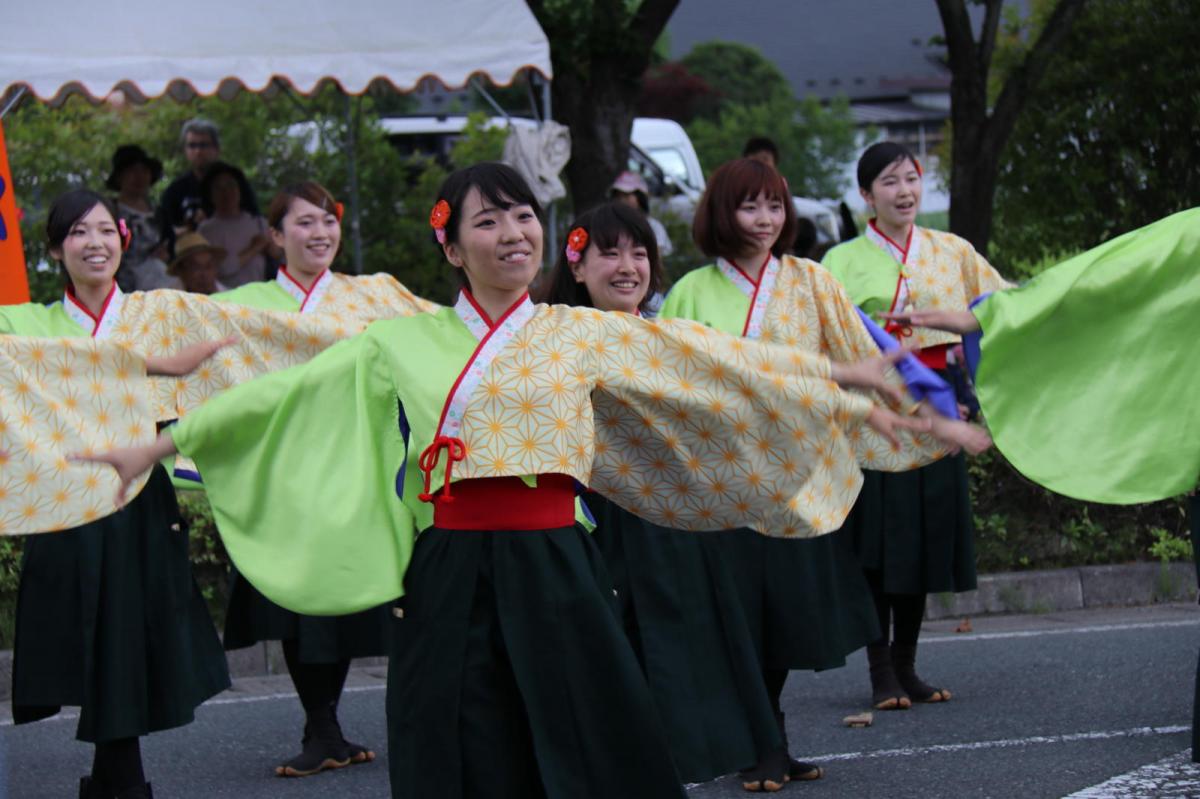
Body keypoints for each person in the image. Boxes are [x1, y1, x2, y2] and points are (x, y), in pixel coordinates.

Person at [83, 162, 934, 799]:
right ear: (452, 245)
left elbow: (707, 361)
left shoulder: (575, 330)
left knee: (591, 730)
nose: (515, 234)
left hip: (557, 557)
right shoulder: (397, 340)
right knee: (452, 735)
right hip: (448, 560)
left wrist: (839, 381)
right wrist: (163, 443)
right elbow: (283, 396)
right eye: (490, 222)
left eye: (525, 217)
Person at [658, 157, 990, 788]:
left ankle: (771, 734)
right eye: (749, 206)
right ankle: (762, 741)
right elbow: (676, 384)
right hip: (725, 480)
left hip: (798, 479)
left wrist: (935, 416)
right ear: (721, 214)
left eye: (775, 206)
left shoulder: (811, 281)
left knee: (783, 615)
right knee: (739, 619)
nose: (764, 220)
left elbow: (869, 358)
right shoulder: (691, 292)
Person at [0, 189, 235, 799]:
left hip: (140, 497)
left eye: (106, 229)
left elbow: (230, 362)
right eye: (78, 232)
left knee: (131, 629)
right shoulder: (27, 323)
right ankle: (116, 775)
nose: (95, 242)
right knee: (84, 627)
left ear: (123, 241)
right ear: (55, 248)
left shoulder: (159, 311)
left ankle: (117, 775)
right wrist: (152, 366)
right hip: (66, 497)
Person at [210, 181, 393, 778]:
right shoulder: (250, 304)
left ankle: (327, 726)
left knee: (337, 597)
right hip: (284, 469)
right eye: (304, 223)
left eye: (328, 221)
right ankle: (323, 726)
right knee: (297, 600)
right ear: (275, 235)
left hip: (350, 465)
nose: (320, 233)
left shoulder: (372, 297)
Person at [822, 142, 1012, 711]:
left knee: (924, 547)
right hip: (877, 418)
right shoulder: (840, 262)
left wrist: (966, 331)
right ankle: (881, 670)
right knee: (878, 551)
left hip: (940, 414)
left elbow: (1003, 307)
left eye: (911, 178)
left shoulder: (953, 251)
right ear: (864, 195)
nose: (904, 191)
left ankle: (908, 665)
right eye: (888, 182)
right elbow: (827, 332)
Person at [158, 118, 259, 237]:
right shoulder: (175, 190)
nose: (198, 151)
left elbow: (255, 220)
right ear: (185, 150)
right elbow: (165, 231)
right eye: (192, 145)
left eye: (203, 145)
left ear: (216, 149)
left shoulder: (235, 182)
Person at [197, 162, 278, 287]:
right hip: (224, 301)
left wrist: (272, 248)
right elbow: (222, 269)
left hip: (259, 298)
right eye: (219, 188)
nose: (226, 192)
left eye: (231, 185)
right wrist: (254, 248)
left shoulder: (259, 222)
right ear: (210, 194)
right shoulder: (206, 230)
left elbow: (281, 257)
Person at [106, 144, 173, 291]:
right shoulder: (107, 211)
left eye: (144, 171)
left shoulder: (160, 214)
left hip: (157, 286)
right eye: (132, 171)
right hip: (119, 286)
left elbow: (171, 247)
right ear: (119, 177)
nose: (139, 177)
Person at [609, 170, 673, 257]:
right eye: (618, 196)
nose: (622, 200)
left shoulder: (653, 226)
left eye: (627, 195)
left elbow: (655, 256)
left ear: (640, 198)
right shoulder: (609, 225)